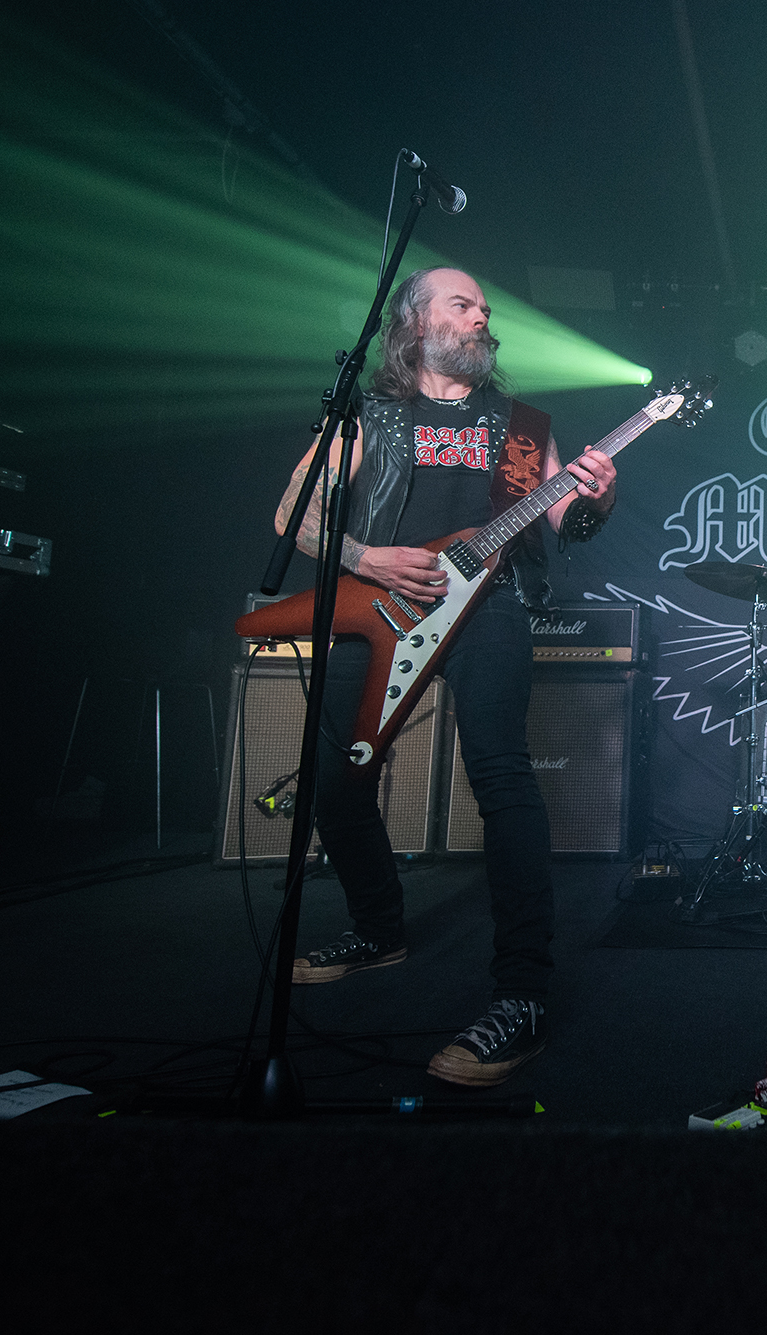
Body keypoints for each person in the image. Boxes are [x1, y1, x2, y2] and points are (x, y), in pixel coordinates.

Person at [272, 266, 617, 1088]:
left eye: (486, 309)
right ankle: (377, 925)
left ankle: (521, 992)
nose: (481, 317)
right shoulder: (373, 414)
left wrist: (597, 496)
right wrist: (366, 558)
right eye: (463, 305)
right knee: (334, 776)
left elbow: (567, 521)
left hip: (489, 608)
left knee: (503, 777)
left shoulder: (521, 426)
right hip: (380, 608)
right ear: (417, 321)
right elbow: (294, 515)